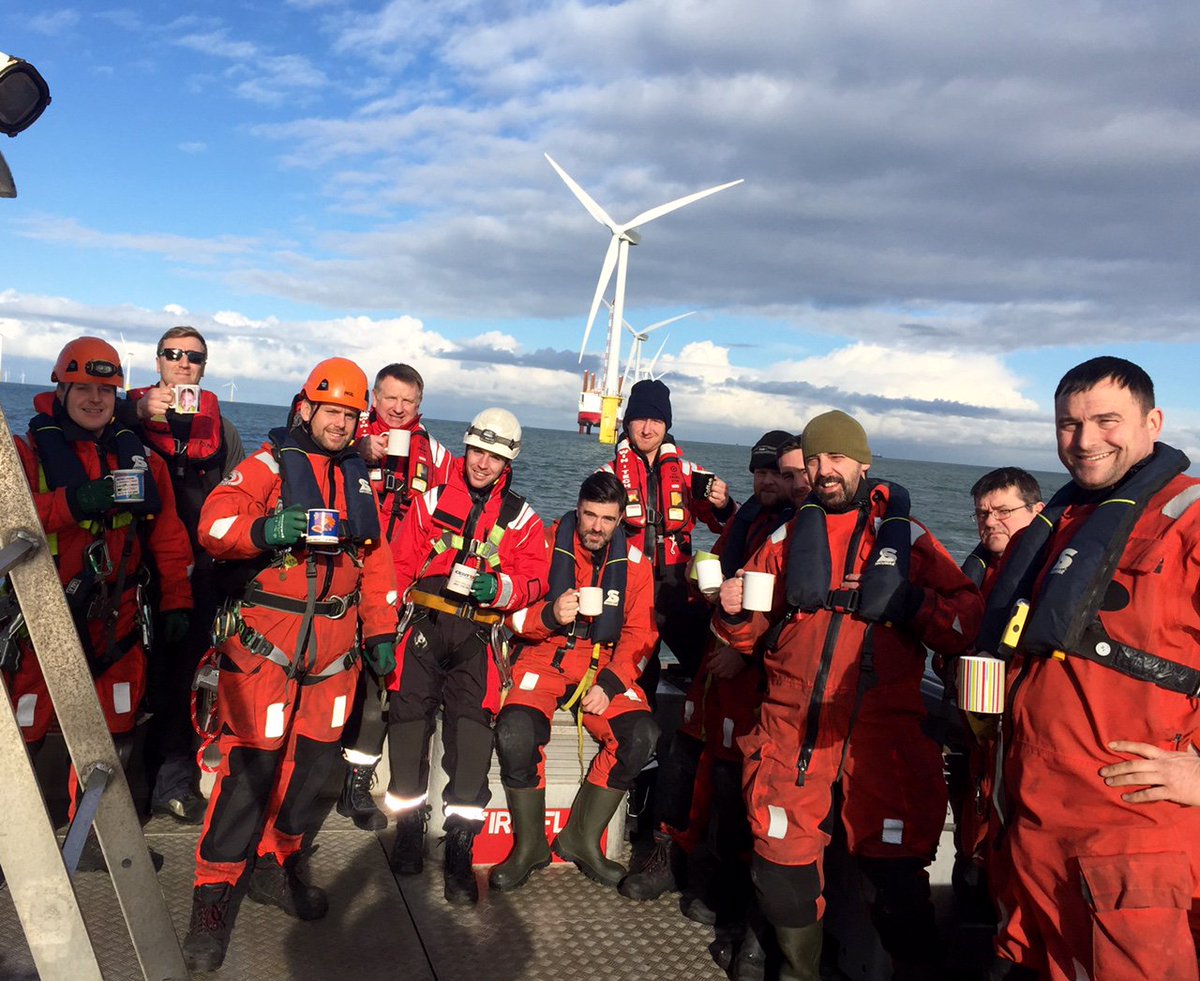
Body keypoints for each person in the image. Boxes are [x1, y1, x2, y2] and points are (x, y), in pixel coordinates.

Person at [715, 410, 982, 980]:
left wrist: (912, 603)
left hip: (882, 741)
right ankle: (801, 969)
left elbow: (968, 621)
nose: (823, 470)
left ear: (863, 462)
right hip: (791, 734)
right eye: (813, 460)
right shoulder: (786, 540)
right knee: (782, 882)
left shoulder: (909, 540)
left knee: (898, 893)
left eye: (836, 458)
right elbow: (745, 635)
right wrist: (730, 610)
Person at [979, 357, 1200, 980]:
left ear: (1152, 422)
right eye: (1068, 425)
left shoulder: (1190, 520)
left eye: (1107, 421)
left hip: (1131, 837)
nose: (1084, 441)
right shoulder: (1063, 524)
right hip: (1032, 825)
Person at [181, 358, 397, 972]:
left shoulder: (361, 479)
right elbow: (214, 525)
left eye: (351, 414)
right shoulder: (268, 466)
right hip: (269, 636)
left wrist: (380, 630)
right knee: (252, 763)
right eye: (332, 411)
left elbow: (376, 563)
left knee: (311, 764)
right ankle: (214, 893)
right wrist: (269, 527)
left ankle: (278, 863)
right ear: (306, 409)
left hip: (336, 643)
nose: (341, 422)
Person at [620, 430, 802, 975]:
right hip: (717, 657)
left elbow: (799, 613)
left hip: (756, 674)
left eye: (783, 473)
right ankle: (672, 859)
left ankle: (726, 890)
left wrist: (744, 656)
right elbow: (722, 562)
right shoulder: (753, 516)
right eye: (763, 473)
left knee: (735, 780)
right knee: (686, 757)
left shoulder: (805, 530)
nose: (771, 482)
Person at [7, 337, 193, 815]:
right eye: (84, 388)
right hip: (41, 619)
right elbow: (7, 523)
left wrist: (176, 602)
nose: (95, 399)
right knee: (23, 728)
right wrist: (74, 503)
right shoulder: (24, 456)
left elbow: (169, 539)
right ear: (61, 391)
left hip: (118, 621)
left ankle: (94, 835)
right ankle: (13, 842)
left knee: (115, 728)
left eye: (106, 391)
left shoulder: (144, 461)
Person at [384, 407, 548, 905]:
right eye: (477, 451)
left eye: (494, 456)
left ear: (508, 461)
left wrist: (498, 587)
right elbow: (398, 565)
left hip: (478, 639)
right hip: (424, 631)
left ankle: (459, 852)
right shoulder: (429, 501)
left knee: (472, 749)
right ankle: (409, 833)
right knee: (408, 735)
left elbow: (536, 580)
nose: (482, 463)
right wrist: (380, 632)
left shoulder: (523, 518)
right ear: (466, 448)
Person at [490, 471, 659, 892]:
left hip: (601, 665)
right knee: (515, 733)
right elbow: (511, 615)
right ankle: (530, 846)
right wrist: (549, 615)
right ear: (577, 508)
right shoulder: (542, 545)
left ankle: (581, 838)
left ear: (621, 520)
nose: (596, 527)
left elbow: (640, 636)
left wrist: (613, 683)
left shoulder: (637, 567)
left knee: (641, 735)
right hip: (544, 656)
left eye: (606, 518)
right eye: (588, 515)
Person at [126, 325, 245, 823]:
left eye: (193, 357)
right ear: (157, 362)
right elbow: (82, 422)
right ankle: (126, 785)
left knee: (182, 678)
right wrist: (127, 412)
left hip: (198, 575)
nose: (183, 363)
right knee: (127, 680)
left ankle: (173, 779)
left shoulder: (224, 434)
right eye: (173, 354)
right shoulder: (119, 419)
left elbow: (242, 498)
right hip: (133, 573)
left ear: (203, 366)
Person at [337, 363, 455, 832]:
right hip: (345, 572)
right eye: (390, 399)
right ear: (374, 399)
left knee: (379, 683)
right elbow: (309, 458)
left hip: (398, 584)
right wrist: (357, 453)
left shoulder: (439, 456)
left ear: (420, 406)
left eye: (408, 401)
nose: (398, 409)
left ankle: (356, 786)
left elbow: (467, 498)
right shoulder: (348, 438)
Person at [945, 467, 1043, 922]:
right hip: (974, 738)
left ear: (1037, 512)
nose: (991, 522)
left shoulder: (1050, 578)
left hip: (1023, 749)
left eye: (1004, 511)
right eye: (982, 514)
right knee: (972, 855)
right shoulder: (975, 574)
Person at [601, 378, 734, 686]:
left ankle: (693, 726)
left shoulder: (691, 474)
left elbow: (728, 525)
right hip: (629, 588)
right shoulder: (606, 476)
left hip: (678, 588)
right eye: (640, 419)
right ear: (627, 423)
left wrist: (724, 504)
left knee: (706, 665)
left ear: (667, 424)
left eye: (656, 420)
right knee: (636, 677)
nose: (647, 429)